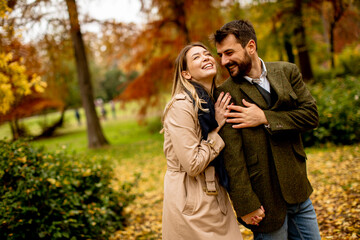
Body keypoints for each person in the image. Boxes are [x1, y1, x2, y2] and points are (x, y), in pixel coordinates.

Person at [212, 20, 321, 239]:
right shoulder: (225, 93)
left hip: (298, 189)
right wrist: (245, 205)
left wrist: (264, 117)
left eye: (229, 52)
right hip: (263, 200)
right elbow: (232, 158)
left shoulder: (287, 71)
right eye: (221, 55)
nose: (224, 61)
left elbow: (311, 116)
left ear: (250, 46)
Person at [161, 42, 243, 240]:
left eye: (207, 54)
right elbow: (192, 163)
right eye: (196, 57)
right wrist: (217, 128)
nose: (206, 57)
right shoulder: (181, 106)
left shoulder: (211, 101)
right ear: (186, 74)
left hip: (216, 193)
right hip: (190, 198)